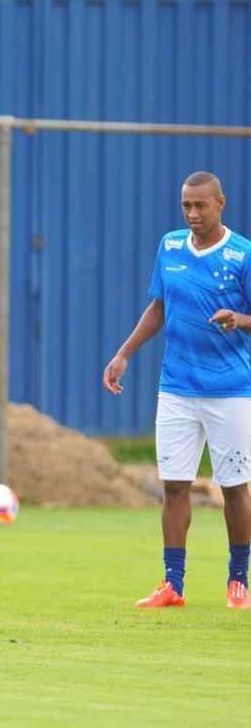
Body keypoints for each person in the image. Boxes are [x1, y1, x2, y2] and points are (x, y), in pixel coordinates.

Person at [103, 170, 251, 610]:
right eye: (186, 205)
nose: (192, 213)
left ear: (220, 203)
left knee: (235, 487)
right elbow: (159, 306)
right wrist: (124, 353)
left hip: (230, 389)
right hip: (176, 387)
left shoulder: (242, 255)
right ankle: (173, 585)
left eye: (200, 205)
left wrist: (239, 320)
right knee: (175, 486)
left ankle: (238, 579)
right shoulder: (169, 247)